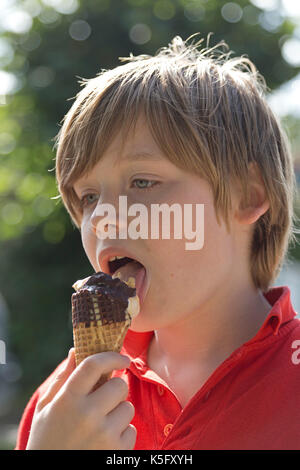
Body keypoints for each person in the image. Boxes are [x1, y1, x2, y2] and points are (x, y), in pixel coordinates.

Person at [16, 35, 300, 450]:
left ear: (248, 194)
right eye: (88, 196)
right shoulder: (62, 406)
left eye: (143, 182)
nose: (102, 217)